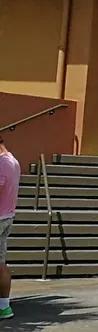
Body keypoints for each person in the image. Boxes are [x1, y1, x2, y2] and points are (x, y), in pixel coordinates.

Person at [0, 130, 18, 319]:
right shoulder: (13, 160)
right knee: (0, 263)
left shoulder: (2, 163)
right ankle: (4, 307)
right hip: (6, 216)